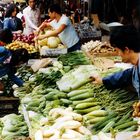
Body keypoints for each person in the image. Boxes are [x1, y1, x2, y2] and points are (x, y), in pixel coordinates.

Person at [90, 25, 140, 97]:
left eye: (117, 51)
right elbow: (127, 76)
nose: (117, 55)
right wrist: (103, 80)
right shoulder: (136, 65)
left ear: (126, 50)